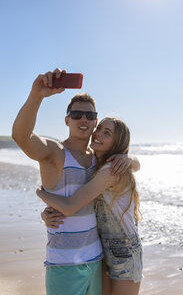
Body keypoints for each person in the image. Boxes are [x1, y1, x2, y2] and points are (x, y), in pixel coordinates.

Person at [12, 68, 140, 295]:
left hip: (98, 261)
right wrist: (36, 96)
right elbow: (21, 137)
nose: (84, 119)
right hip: (64, 264)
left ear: (95, 123)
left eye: (90, 116)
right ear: (66, 120)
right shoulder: (55, 152)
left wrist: (128, 158)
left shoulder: (98, 160)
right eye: (77, 114)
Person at [37, 117, 143, 295]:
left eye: (107, 133)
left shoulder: (111, 170)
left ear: (117, 143)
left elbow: (71, 205)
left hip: (124, 250)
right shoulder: (95, 164)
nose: (98, 133)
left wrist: (41, 193)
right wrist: (46, 214)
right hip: (99, 248)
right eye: (99, 128)